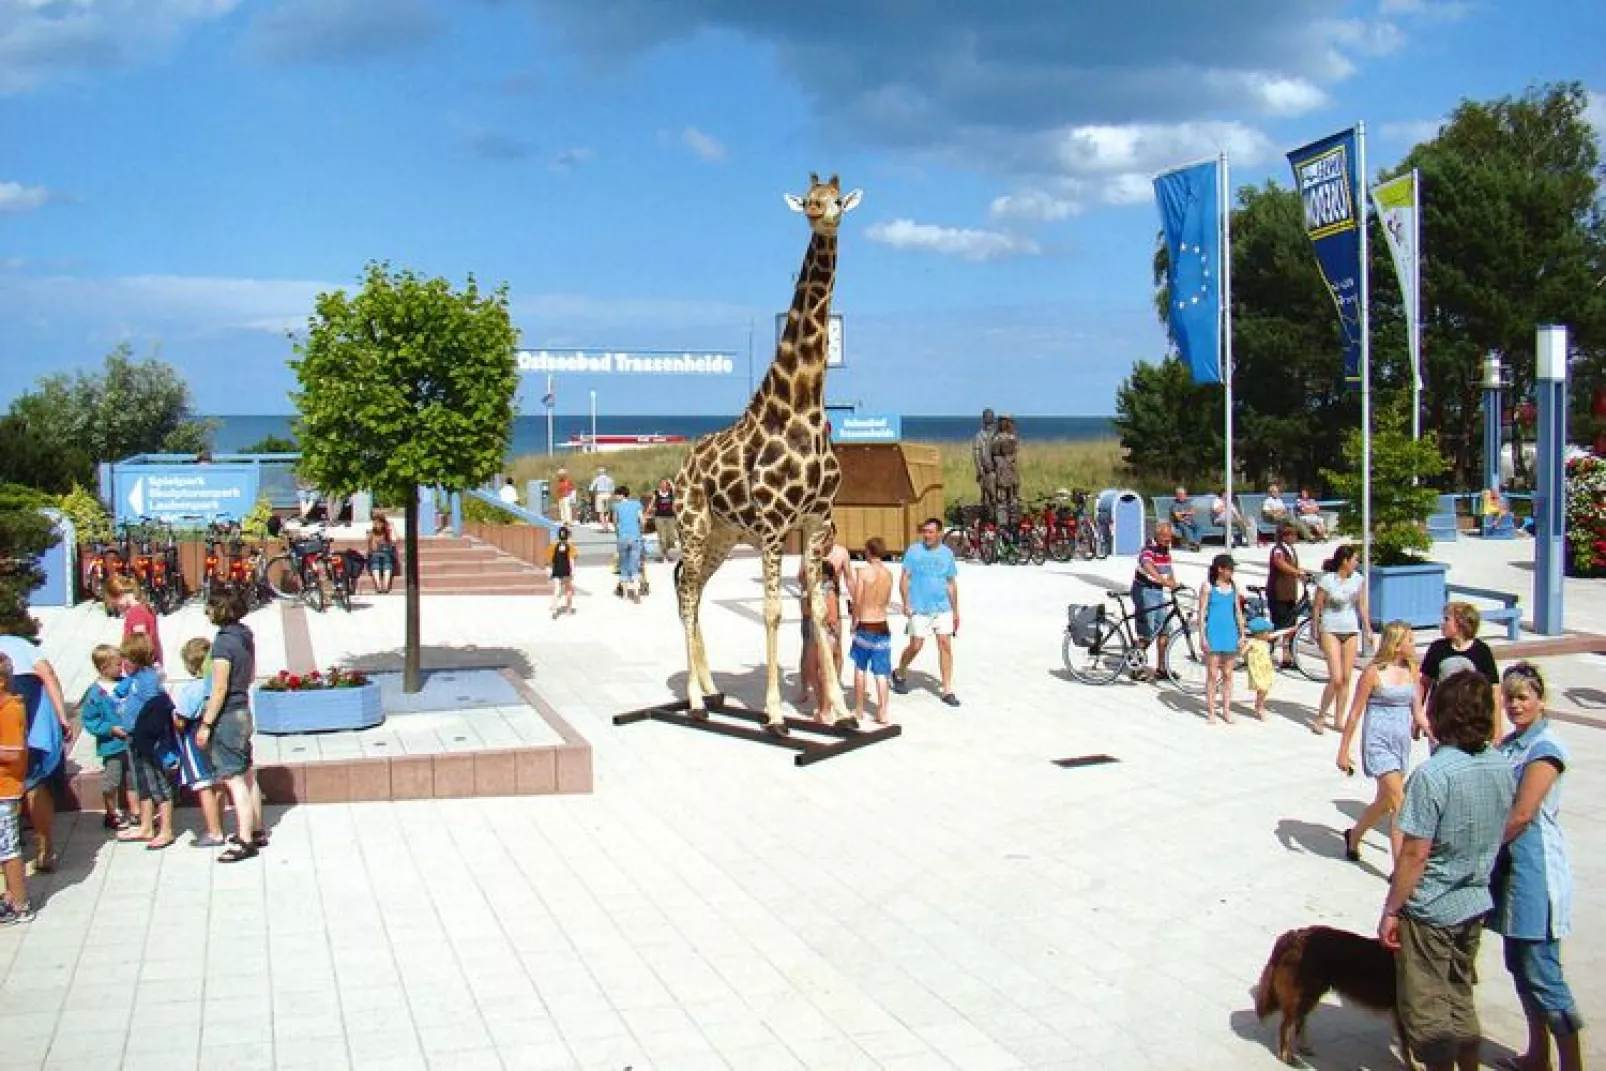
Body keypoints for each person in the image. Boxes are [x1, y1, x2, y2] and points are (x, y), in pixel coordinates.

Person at [1378, 671, 1515, 1071]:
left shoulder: (1434, 774)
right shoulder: (1501, 765)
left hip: (1431, 908)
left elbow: (1415, 854)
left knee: (1427, 1013)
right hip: (1474, 900)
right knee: (1459, 995)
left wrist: (1391, 908)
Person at [1489, 664, 1585, 1071]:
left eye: (1523, 697)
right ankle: (1537, 1055)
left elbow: (1522, 813)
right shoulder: (1510, 744)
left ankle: (1571, 1064)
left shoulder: (1544, 748)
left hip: (1535, 872)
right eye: (1509, 697)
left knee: (1543, 970)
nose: (1515, 705)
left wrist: (1481, 851)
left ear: (1541, 700)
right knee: (1519, 965)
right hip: (1509, 873)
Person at [1337, 620, 1431, 869]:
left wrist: (1433, 734)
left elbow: (1418, 711)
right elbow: (1355, 712)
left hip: (1400, 741)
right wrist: (1343, 751)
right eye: (1410, 640)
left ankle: (1354, 836)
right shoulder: (1373, 672)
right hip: (1378, 741)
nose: (1413, 645)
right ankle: (1400, 867)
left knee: (1386, 801)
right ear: (1397, 644)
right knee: (1400, 802)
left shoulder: (1413, 670)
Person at [195, 590, 262, 863]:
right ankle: (257, 829)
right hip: (244, 709)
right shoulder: (245, 636)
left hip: (228, 715)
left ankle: (244, 840)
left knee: (233, 779)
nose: (206, 612)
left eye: (209, 607)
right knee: (247, 772)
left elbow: (219, 687)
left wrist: (206, 724)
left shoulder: (223, 644)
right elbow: (252, 673)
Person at [0, 625, 71, 875]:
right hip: (27, 691)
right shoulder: (19, 643)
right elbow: (48, 674)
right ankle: (45, 849)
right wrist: (62, 717)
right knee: (33, 779)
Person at [115, 633, 176, 851]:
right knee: (142, 783)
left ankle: (166, 829)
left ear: (137, 659)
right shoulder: (137, 677)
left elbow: (158, 710)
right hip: (133, 738)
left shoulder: (149, 680)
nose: (123, 664)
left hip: (148, 741)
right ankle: (146, 826)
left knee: (157, 784)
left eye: (127, 660)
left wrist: (156, 741)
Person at [891, 517, 961, 706]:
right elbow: (904, 578)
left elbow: (951, 583)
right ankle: (899, 672)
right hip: (919, 607)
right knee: (916, 645)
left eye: (931, 532)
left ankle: (947, 689)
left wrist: (956, 611)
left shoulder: (947, 554)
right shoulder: (914, 552)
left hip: (942, 608)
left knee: (945, 644)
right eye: (925, 531)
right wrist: (905, 603)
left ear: (939, 533)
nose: (927, 535)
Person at [1310, 544, 1372, 735]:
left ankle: (1339, 719)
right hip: (1330, 628)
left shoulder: (1358, 580)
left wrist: (1368, 629)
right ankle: (1320, 716)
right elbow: (1317, 606)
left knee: (1346, 677)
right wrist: (1315, 628)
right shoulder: (1328, 580)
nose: (1357, 563)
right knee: (1335, 678)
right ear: (1345, 561)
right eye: (1354, 559)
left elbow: (1362, 606)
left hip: (1350, 628)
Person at [1420, 601, 1502, 741]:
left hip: (1471, 720)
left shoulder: (1482, 651)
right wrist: (1419, 716)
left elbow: (1494, 690)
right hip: (1441, 719)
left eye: (1447, 619)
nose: (1442, 624)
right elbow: (1424, 684)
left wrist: (1497, 727)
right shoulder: (1437, 649)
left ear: (1461, 623)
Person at [174, 637, 225, 847]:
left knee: (204, 785)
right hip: (219, 736)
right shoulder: (217, 684)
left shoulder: (190, 690)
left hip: (196, 740)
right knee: (220, 781)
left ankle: (214, 831)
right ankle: (219, 822)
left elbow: (180, 720)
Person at [78, 644, 134, 831]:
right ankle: (111, 813)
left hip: (132, 741)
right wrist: (110, 729)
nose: (121, 668)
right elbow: (90, 720)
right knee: (112, 778)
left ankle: (135, 810)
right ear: (104, 668)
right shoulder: (95, 693)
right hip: (112, 745)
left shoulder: (125, 683)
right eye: (118, 665)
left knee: (133, 776)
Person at [1, 653, 35, 925]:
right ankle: (10, 896)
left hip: (5, 790)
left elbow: (13, 754)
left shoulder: (10, 710)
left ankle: (20, 905)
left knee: (8, 848)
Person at [848, 536, 895, 725]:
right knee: (881, 672)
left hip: (866, 623)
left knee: (860, 668)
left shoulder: (863, 572)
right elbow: (886, 600)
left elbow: (858, 600)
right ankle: (882, 711)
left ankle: (859, 709)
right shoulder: (888, 574)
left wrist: (854, 621)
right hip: (882, 623)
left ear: (869, 551)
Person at [1198, 554, 1245, 725]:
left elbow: (1238, 611)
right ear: (1220, 569)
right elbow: (1202, 612)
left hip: (1230, 631)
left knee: (1228, 674)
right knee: (1212, 673)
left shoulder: (1233, 587)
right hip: (1214, 632)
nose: (1232, 572)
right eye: (1229, 569)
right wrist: (1202, 636)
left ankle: (1226, 709)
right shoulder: (1208, 587)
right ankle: (1211, 710)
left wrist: (1242, 634)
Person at [1130, 522, 1180, 680]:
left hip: (1157, 592)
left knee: (1164, 628)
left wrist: (1173, 583)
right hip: (1144, 590)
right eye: (1165, 538)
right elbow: (1147, 565)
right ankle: (1136, 668)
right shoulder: (1149, 548)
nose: (1168, 541)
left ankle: (1161, 668)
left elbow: (1168, 568)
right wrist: (1163, 581)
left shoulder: (1165, 549)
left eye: (1169, 538)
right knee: (1147, 631)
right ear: (1157, 536)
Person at [1266, 523, 1306, 669]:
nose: (1294, 537)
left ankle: (1287, 656)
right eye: (1292, 535)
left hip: (1289, 593)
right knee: (1279, 625)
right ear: (1285, 536)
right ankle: (1267, 653)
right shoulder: (1278, 549)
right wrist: (1297, 572)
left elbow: (1292, 567)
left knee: (1290, 626)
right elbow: (1280, 563)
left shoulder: (1291, 549)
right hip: (1278, 593)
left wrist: (1302, 573)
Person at [106, 573, 164, 667]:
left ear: (120, 595)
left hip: (142, 668)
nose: (116, 606)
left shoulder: (136, 613)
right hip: (153, 663)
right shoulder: (145, 606)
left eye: (115, 602)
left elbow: (140, 645)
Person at [612, 485, 645, 602]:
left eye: (616, 494)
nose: (615, 497)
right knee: (635, 566)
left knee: (624, 566)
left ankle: (625, 594)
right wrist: (639, 533)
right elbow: (642, 521)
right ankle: (636, 593)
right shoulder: (636, 504)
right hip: (635, 538)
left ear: (621, 495)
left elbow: (615, 522)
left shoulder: (616, 506)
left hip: (623, 538)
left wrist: (618, 533)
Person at [1242, 616, 1276, 721]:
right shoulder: (1252, 642)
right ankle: (1260, 707)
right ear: (1260, 633)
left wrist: (1292, 629)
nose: (1269, 634)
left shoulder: (1264, 640)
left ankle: (1259, 705)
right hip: (1257, 670)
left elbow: (1278, 633)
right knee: (1262, 688)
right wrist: (1241, 648)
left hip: (1266, 669)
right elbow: (1242, 652)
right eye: (1267, 632)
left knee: (1264, 689)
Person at [991, 414, 1021, 520]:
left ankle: (1014, 520)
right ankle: (1002, 521)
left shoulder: (1013, 436)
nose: (1003, 423)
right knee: (1001, 497)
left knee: (1013, 497)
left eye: (1005, 421)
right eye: (1001, 421)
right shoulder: (996, 437)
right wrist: (1000, 462)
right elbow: (994, 453)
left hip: (1011, 470)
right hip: (1001, 469)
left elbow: (1015, 452)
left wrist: (1010, 459)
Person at [548, 526, 577, 618]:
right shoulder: (571, 547)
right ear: (568, 536)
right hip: (566, 571)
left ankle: (554, 607)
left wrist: (550, 571)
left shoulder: (553, 546)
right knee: (568, 590)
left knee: (557, 590)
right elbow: (571, 560)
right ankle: (568, 610)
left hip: (556, 570)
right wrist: (573, 572)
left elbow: (550, 561)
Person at [972, 408, 998, 511]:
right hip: (984, 470)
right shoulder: (979, 436)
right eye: (986, 416)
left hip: (997, 470)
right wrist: (979, 470)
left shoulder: (997, 435)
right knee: (985, 497)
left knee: (997, 496)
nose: (988, 418)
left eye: (990, 416)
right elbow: (976, 453)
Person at [367, 513, 397, 594]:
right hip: (376, 554)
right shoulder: (371, 532)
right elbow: (370, 546)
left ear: (383, 523)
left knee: (386, 563)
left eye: (378, 523)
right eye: (375, 523)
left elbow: (394, 540)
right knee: (376, 563)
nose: (376, 525)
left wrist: (392, 527)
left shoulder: (387, 532)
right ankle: (381, 586)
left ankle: (383, 586)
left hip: (386, 553)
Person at [651, 479, 679, 562]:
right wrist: (646, 513)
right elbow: (652, 504)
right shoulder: (656, 493)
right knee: (662, 538)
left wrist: (670, 482)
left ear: (667, 485)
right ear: (659, 485)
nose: (663, 486)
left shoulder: (671, 493)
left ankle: (666, 553)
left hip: (670, 517)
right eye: (661, 484)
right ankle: (664, 555)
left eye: (665, 484)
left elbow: (675, 490)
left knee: (671, 538)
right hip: (659, 517)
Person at [1169, 486, 1201, 551]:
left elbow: (1194, 511)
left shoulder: (1187, 502)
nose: (1182, 496)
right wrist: (1186, 516)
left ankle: (1196, 543)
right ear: (1177, 495)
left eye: (1183, 494)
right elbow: (1177, 516)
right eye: (1180, 494)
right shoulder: (1174, 504)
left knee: (1198, 526)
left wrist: (1184, 513)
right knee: (1186, 528)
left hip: (1189, 520)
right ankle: (1192, 544)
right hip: (1178, 522)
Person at [590, 467, 616, 532]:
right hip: (608, 495)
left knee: (601, 512)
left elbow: (591, 488)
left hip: (600, 495)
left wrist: (594, 492)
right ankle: (607, 526)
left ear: (599, 472)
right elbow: (613, 489)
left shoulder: (596, 479)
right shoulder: (610, 479)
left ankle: (604, 527)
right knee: (607, 511)